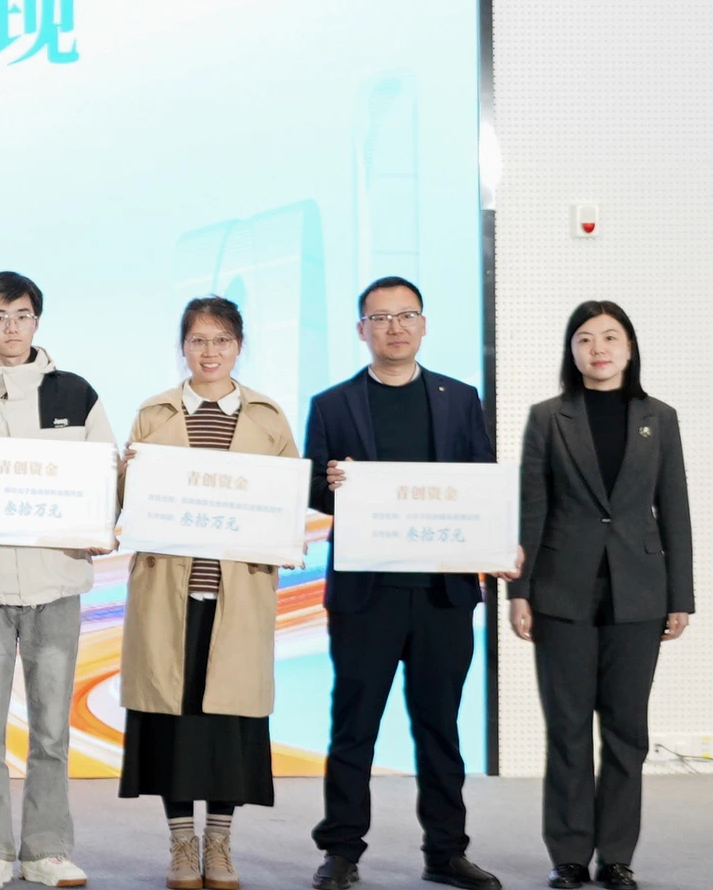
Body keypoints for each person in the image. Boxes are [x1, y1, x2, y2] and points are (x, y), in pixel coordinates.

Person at [304, 278, 509, 890]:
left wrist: (500, 543)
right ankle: (341, 851)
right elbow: (314, 489)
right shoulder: (333, 404)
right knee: (354, 727)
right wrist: (332, 483)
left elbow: (482, 483)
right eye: (380, 317)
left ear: (423, 324)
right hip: (366, 595)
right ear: (360, 329)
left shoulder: (459, 398)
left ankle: (446, 852)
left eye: (406, 315)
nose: (394, 327)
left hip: (443, 593)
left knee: (440, 728)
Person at [0, 270, 116, 890]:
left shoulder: (77, 395)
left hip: (56, 583)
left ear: (37, 321)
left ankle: (47, 850)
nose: (12, 327)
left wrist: (105, 521)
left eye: (23, 315)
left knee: (52, 730)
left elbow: (105, 475)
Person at [509, 301, 694, 890]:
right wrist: (520, 591)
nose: (599, 349)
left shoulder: (659, 417)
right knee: (566, 727)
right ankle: (568, 855)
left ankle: (616, 855)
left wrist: (681, 595)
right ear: (572, 351)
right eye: (585, 339)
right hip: (561, 588)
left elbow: (675, 509)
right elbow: (532, 507)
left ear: (630, 348)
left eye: (611, 337)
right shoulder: (548, 417)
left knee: (626, 730)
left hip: (639, 590)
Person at [118, 297, 297, 890]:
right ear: (183, 347)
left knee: (228, 726)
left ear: (239, 346)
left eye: (221, 339)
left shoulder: (268, 418)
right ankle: (180, 844)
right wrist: (128, 473)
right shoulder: (153, 414)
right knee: (170, 723)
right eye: (198, 340)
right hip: (168, 598)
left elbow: (285, 507)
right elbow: (125, 503)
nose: (210, 351)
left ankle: (218, 842)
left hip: (236, 599)